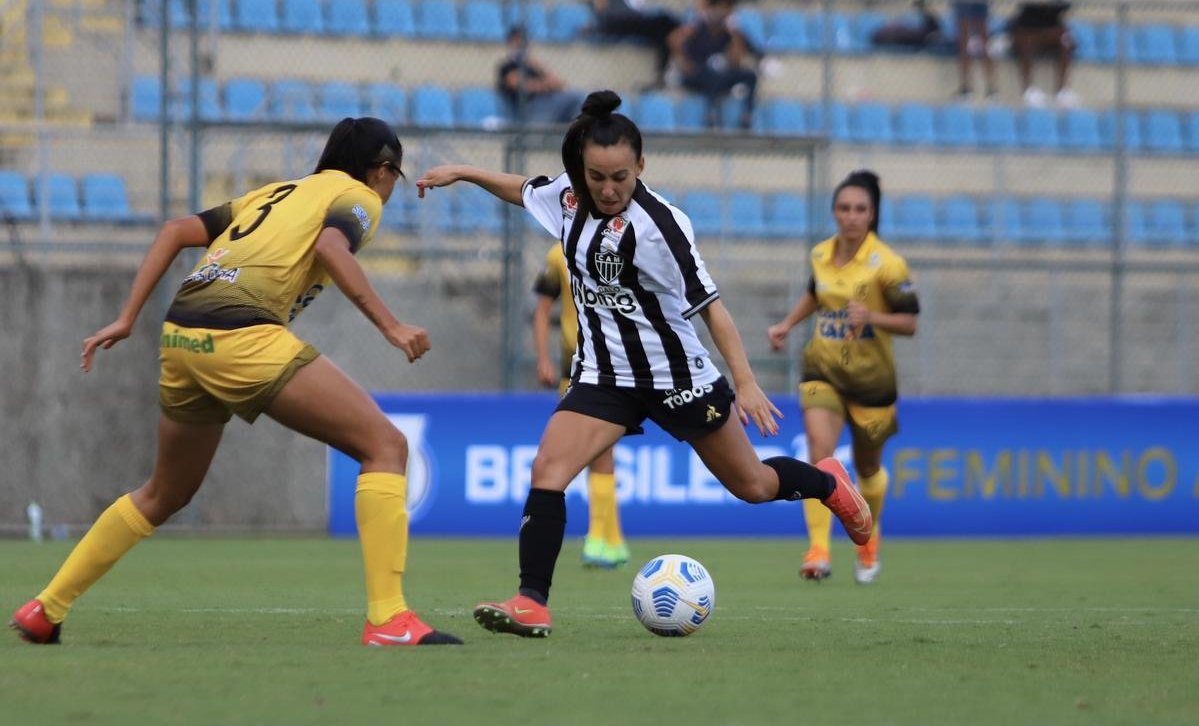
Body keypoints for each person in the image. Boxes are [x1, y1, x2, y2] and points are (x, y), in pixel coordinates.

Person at [415, 90, 873, 638]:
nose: (608, 189)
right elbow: (524, 189)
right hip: (604, 376)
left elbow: (712, 308)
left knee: (752, 485)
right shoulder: (569, 196)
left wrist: (746, 382)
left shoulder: (662, 227)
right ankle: (531, 601)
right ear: (581, 169)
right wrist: (464, 172)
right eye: (596, 177)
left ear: (641, 167)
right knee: (548, 470)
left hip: (677, 376)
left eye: (620, 177)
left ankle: (827, 483)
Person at [9, 118, 461, 647]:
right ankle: (388, 619)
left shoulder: (274, 192)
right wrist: (392, 326)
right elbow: (331, 248)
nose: (391, 187)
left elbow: (174, 231)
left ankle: (46, 607)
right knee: (385, 446)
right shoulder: (359, 197)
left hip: (181, 336)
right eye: (394, 177)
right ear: (382, 169)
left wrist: (128, 317)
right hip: (239, 335)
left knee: (164, 492)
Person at [766, 170, 919, 585]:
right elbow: (816, 294)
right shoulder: (821, 253)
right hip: (824, 370)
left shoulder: (888, 264)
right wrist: (787, 324)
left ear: (872, 215)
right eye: (844, 208)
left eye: (860, 209)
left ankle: (868, 540)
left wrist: (873, 317)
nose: (851, 216)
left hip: (872, 383)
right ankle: (818, 550)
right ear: (834, 212)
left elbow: (909, 322)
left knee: (868, 469)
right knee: (820, 453)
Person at [532, 242, 629, 568]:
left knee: (599, 448)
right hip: (575, 366)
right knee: (594, 450)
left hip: (614, 363)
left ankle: (603, 539)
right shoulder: (559, 253)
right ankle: (610, 539)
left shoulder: (621, 246)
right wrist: (543, 358)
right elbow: (543, 309)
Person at [582, 0, 683, 91]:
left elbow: (638, 3)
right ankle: (667, 71)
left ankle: (663, 73)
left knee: (665, 29)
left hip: (635, 19)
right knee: (666, 22)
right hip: (615, 21)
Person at [668, 0, 759, 129]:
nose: (720, 13)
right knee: (711, 74)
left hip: (718, 76)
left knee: (749, 75)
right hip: (695, 75)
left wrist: (733, 31)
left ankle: (747, 115)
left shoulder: (728, 33)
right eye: (718, 8)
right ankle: (711, 114)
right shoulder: (698, 27)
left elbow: (737, 61)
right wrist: (684, 61)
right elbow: (673, 40)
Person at [497, 26, 586, 125]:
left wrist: (537, 65)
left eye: (522, 41)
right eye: (516, 42)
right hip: (526, 109)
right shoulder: (507, 66)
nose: (520, 45)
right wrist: (544, 85)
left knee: (578, 97)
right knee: (574, 99)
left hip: (547, 104)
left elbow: (559, 84)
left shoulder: (533, 66)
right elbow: (521, 85)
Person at [1007, 0, 1080, 109]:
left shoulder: (1055, 20)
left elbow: (1070, 40)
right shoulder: (1028, 16)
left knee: (1066, 44)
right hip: (1028, 43)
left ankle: (1062, 91)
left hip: (1047, 44)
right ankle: (1029, 90)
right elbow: (1017, 33)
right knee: (1025, 45)